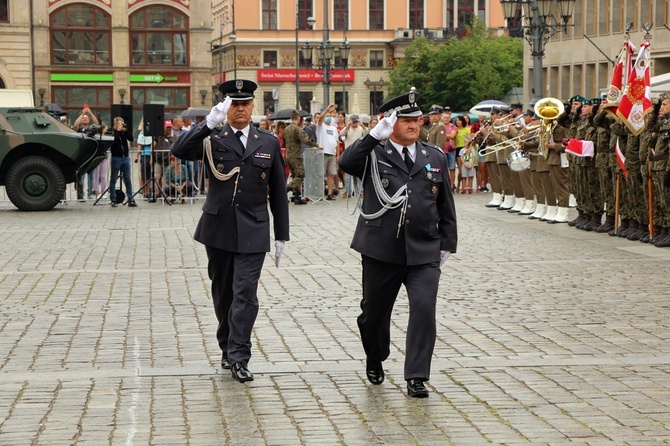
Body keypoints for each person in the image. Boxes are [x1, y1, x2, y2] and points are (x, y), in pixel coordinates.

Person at [338, 89, 457, 398]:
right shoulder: (374, 153)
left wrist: (448, 242)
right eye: (405, 120)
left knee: (423, 308)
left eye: (416, 119)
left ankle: (416, 375)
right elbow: (346, 162)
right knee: (374, 313)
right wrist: (372, 137)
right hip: (381, 248)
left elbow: (446, 204)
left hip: (423, 248)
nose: (413, 125)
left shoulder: (434, 156)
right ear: (389, 122)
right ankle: (375, 354)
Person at [171, 79, 289, 383]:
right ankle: (226, 343)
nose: (240, 109)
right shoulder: (213, 138)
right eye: (234, 104)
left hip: (254, 227)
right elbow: (179, 149)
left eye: (245, 104)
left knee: (245, 294)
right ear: (227, 108)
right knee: (223, 293)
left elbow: (277, 189)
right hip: (219, 227)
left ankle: (239, 355)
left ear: (252, 107)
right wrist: (207, 124)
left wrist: (281, 234)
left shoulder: (268, 141)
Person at [284, 110, 322, 204]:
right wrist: (317, 145)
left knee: (295, 175)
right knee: (301, 175)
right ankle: (286, 189)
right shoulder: (297, 129)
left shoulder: (286, 129)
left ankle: (297, 197)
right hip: (296, 155)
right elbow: (306, 140)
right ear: (298, 119)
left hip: (289, 155)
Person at [108, 117, 137, 207]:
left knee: (127, 179)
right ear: (116, 124)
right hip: (116, 158)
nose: (122, 125)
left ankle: (130, 198)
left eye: (123, 123)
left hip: (126, 158)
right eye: (121, 124)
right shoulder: (112, 132)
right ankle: (113, 199)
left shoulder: (124, 132)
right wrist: (117, 131)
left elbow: (131, 139)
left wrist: (125, 131)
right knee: (113, 179)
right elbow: (112, 142)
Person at [316, 104, 340, 200]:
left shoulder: (334, 129)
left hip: (332, 153)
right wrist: (327, 109)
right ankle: (320, 193)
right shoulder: (321, 126)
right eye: (328, 116)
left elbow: (337, 142)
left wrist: (337, 155)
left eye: (331, 116)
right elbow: (320, 118)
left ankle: (329, 194)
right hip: (323, 153)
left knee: (331, 174)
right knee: (321, 174)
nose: (329, 118)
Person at [134, 118, 153, 198]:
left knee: (148, 175)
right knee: (144, 174)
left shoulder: (152, 134)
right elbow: (140, 146)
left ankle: (148, 191)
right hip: (144, 155)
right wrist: (137, 156)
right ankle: (144, 191)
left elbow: (152, 146)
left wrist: (152, 157)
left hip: (149, 155)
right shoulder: (141, 134)